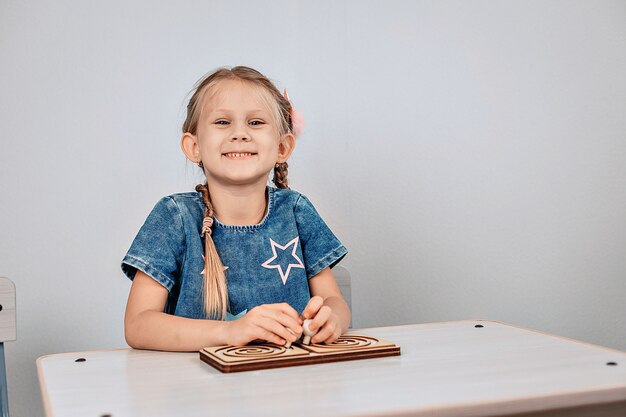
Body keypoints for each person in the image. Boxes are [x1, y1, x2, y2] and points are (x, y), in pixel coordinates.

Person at [121, 66, 350, 351]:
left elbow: (334, 301)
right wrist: (230, 332)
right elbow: (138, 325)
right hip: (198, 389)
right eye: (221, 122)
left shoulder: (296, 211)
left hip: (289, 384)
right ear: (194, 146)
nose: (240, 133)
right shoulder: (174, 217)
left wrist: (333, 320)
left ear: (282, 147)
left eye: (255, 122)